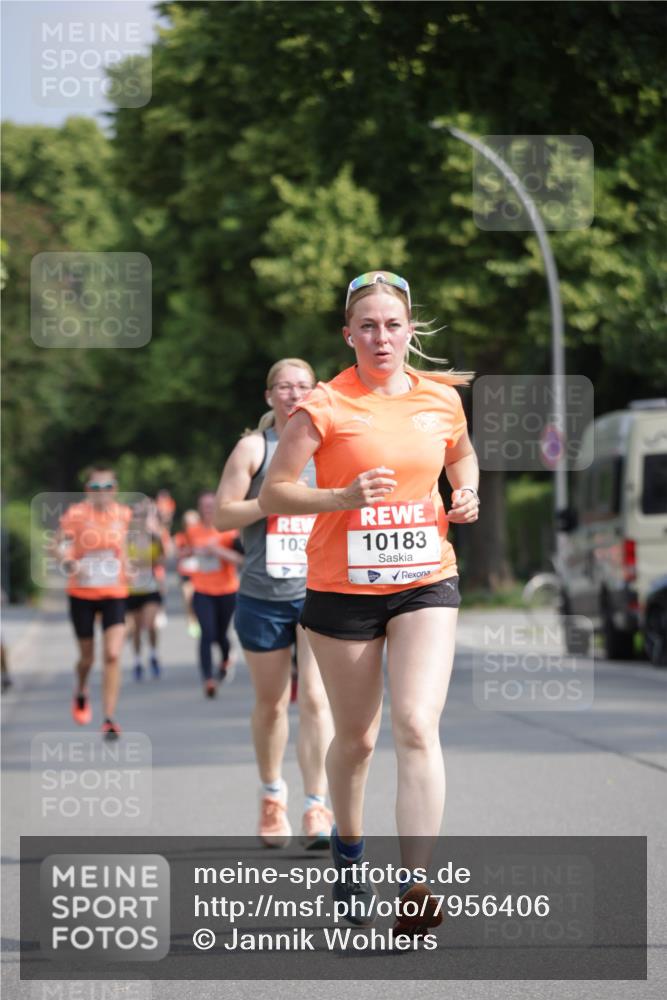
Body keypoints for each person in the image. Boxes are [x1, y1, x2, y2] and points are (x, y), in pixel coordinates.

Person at [259, 272, 479, 933]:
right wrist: (339, 499)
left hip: (424, 578)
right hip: (341, 589)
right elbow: (274, 493)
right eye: (368, 326)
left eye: (392, 324)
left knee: (416, 724)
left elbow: (460, 458)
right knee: (355, 740)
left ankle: (416, 886)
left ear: (411, 329)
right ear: (347, 334)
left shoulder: (441, 399)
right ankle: (349, 855)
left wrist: (464, 492)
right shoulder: (323, 405)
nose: (381, 337)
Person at [215, 359, 335, 850]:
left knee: (315, 699)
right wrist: (274, 500)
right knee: (270, 704)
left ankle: (316, 804)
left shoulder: (328, 446)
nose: (293, 394)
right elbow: (223, 515)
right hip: (263, 594)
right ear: (269, 397)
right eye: (284, 387)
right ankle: (271, 794)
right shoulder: (253, 448)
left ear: (315, 394)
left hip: (320, 590)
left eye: (303, 386)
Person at [54, 464, 133, 740]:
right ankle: (81, 688)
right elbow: (60, 546)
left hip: (114, 593)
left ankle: (109, 717)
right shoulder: (75, 515)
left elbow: (130, 547)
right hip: (82, 593)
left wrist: (133, 564)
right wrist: (69, 562)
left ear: (116, 490)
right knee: (87, 657)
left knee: (112, 654)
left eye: (108, 487)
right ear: (88, 490)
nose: (102, 493)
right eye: (96, 488)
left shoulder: (124, 515)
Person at [186, 491, 242, 698]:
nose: (208, 509)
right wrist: (191, 553)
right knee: (206, 633)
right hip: (202, 590)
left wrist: (218, 551)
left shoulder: (229, 530)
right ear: (200, 508)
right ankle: (208, 679)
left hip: (227, 590)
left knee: (220, 634)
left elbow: (241, 559)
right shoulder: (193, 531)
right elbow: (184, 552)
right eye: (204, 506)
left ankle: (227, 657)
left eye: (211, 505)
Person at [125, 498, 166, 680]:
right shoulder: (126, 538)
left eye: (143, 515)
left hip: (150, 588)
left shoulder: (154, 537)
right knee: (134, 630)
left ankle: (154, 654)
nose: (139, 519)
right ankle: (136, 661)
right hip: (130, 590)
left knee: (150, 624)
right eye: (136, 515)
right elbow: (121, 561)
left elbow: (164, 558)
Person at [173, 510, 202, 638]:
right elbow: (177, 554)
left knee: (200, 599)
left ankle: (200, 618)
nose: (191, 526)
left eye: (193, 523)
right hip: (186, 572)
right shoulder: (180, 537)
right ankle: (191, 619)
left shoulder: (202, 534)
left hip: (200, 572)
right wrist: (190, 550)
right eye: (188, 523)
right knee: (188, 597)